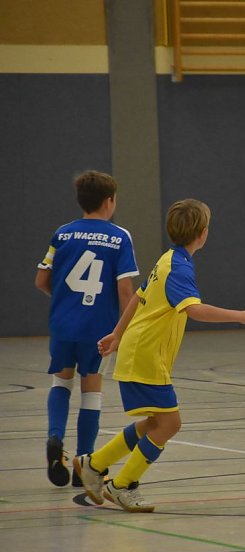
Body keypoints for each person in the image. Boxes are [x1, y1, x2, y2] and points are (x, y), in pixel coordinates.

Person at [73, 199, 245, 512]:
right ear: (203, 233)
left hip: (140, 351)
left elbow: (139, 297)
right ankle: (122, 485)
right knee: (170, 424)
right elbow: (195, 309)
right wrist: (241, 316)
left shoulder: (168, 259)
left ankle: (95, 463)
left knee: (156, 422)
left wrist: (118, 334)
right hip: (145, 355)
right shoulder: (179, 267)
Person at [35, 170, 139, 487]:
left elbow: (41, 281)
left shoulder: (62, 234)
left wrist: (68, 301)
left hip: (63, 324)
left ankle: (55, 440)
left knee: (61, 383)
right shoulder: (119, 237)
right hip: (98, 329)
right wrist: (125, 330)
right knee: (91, 392)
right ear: (110, 201)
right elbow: (125, 292)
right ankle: (84, 463)